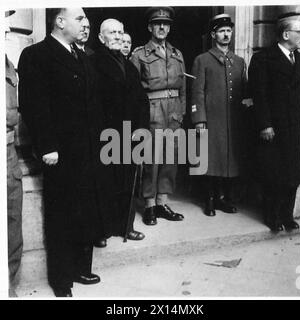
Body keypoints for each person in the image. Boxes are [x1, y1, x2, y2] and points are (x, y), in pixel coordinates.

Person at [18, 8, 101, 297]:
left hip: (87, 150)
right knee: (62, 215)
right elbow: (34, 104)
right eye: (80, 19)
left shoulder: (82, 55)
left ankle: (81, 266)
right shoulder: (37, 55)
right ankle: (62, 279)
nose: (85, 24)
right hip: (61, 153)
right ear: (60, 21)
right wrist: (48, 145)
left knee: (85, 211)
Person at [93, 18, 149, 246]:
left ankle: (125, 226)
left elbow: (142, 101)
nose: (117, 36)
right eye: (112, 33)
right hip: (104, 136)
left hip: (129, 135)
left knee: (127, 183)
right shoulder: (93, 62)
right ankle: (100, 231)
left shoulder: (129, 66)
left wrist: (142, 128)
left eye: (120, 32)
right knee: (104, 185)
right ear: (101, 38)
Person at [130, 7, 186, 226]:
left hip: (173, 111)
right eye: (157, 23)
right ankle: (150, 205)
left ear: (169, 27)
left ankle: (162, 202)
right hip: (151, 109)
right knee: (151, 160)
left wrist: (181, 112)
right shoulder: (140, 54)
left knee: (171, 158)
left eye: (166, 24)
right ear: (150, 27)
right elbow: (134, 91)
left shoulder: (177, 54)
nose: (162, 27)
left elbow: (183, 88)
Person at [248, 17, 300, 231]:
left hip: (296, 127)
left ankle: (287, 216)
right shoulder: (263, 59)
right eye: (299, 31)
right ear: (286, 34)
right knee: (273, 174)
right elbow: (258, 94)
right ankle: (272, 216)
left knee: (293, 173)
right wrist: (265, 124)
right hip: (274, 128)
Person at [191, 14, 247, 217]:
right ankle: (209, 199)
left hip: (233, 121)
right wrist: (199, 119)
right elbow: (197, 92)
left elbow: (244, 92)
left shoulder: (239, 61)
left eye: (229, 31)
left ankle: (223, 198)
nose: (226, 34)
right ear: (214, 34)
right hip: (211, 119)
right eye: (222, 31)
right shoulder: (203, 60)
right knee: (210, 159)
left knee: (229, 160)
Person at [6, 10, 23, 297]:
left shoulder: (8, 63)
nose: (6, 26)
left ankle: (9, 286)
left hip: (9, 151)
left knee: (12, 219)